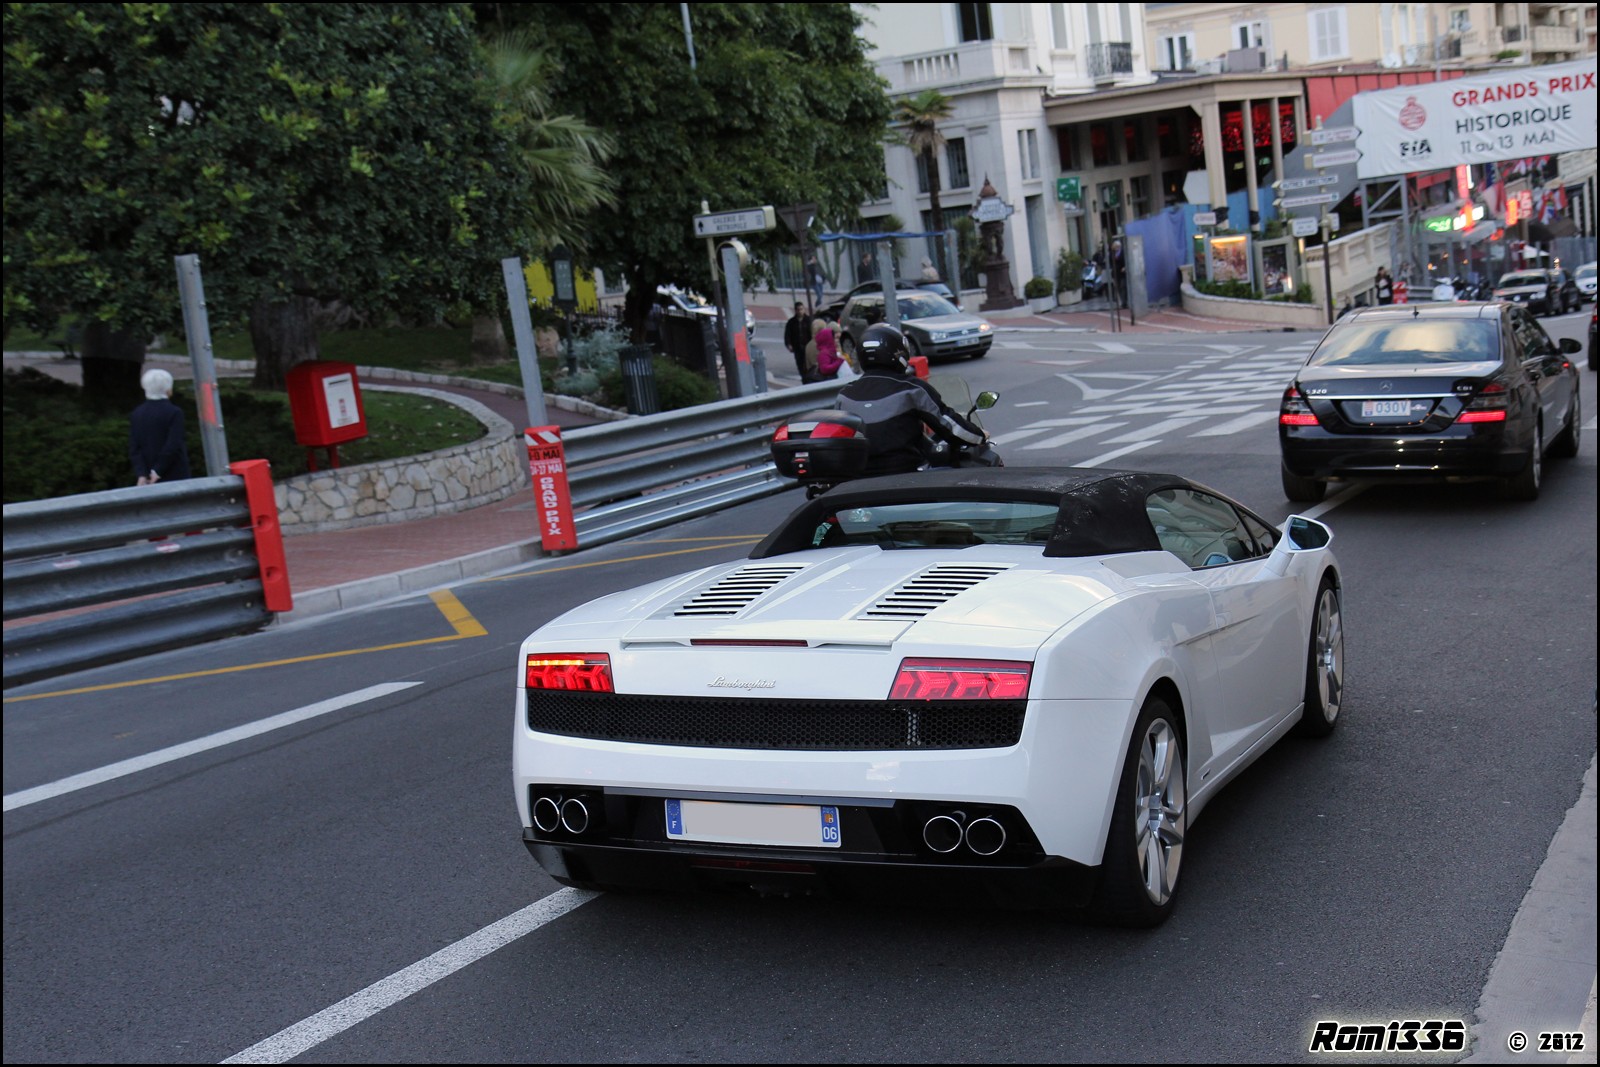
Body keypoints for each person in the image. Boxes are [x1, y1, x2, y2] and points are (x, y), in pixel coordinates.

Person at [836, 324, 986, 476]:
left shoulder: (845, 395)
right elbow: (949, 425)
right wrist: (979, 436)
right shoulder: (912, 388)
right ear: (898, 354)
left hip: (859, 480)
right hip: (906, 475)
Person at [129, 367, 190, 486]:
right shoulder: (174, 412)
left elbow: (135, 447)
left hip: (146, 474)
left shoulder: (137, 413)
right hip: (174, 473)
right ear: (168, 389)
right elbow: (173, 444)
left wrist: (141, 473)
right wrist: (158, 470)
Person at [783, 301, 810, 380]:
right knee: (800, 365)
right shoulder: (791, 322)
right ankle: (804, 378)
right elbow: (787, 335)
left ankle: (808, 378)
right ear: (795, 310)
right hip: (797, 348)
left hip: (807, 347)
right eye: (798, 309)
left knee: (808, 364)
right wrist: (789, 345)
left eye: (801, 309)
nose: (800, 311)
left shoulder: (808, 321)